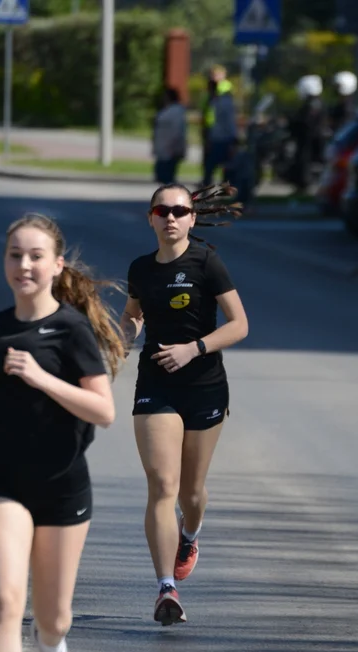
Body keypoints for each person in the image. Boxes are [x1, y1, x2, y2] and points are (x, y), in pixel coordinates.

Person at [0, 213, 125, 652]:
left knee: (54, 617)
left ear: (56, 266)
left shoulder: (71, 330)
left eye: (35, 256)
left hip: (61, 486)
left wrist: (41, 378)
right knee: (5, 601)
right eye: (15, 255)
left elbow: (104, 411)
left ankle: (52, 648)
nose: (24, 265)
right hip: (1, 482)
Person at [120, 182, 250, 626]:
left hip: (204, 386)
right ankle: (165, 589)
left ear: (192, 219)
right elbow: (133, 314)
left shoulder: (206, 262)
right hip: (156, 384)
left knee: (191, 493)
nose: (170, 218)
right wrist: (122, 337)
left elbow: (239, 325)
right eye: (162, 211)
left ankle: (189, 534)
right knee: (162, 484)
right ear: (151, 219)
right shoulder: (141, 268)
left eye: (179, 211)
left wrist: (194, 349)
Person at [152, 87, 187, 185]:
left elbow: (177, 130)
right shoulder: (165, 110)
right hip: (163, 147)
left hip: (170, 148)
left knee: (167, 176)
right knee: (161, 176)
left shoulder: (176, 111)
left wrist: (174, 146)